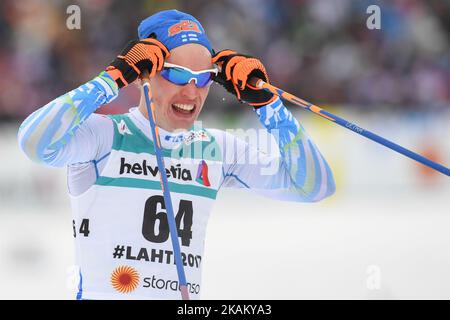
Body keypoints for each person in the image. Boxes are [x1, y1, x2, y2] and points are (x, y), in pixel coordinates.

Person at [17, 9, 335, 300]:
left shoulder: (218, 149)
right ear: (145, 73)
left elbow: (315, 187)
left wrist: (269, 106)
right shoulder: (105, 137)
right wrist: (113, 77)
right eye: (179, 76)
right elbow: (35, 143)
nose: (192, 92)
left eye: (204, 79)